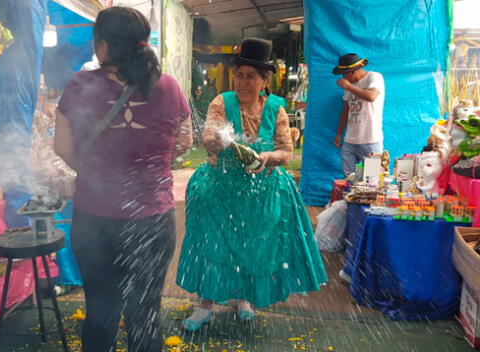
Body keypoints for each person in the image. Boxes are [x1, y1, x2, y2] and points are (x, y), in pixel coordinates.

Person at [53, 6, 192, 352]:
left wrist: (96, 171)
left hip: (95, 218)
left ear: (103, 46)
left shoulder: (80, 84)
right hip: (152, 221)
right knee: (144, 314)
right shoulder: (169, 86)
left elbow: (62, 147)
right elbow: (185, 142)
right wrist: (150, 164)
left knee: (100, 312)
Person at [176, 38, 327, 331]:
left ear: (264, 80)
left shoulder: (276, 109)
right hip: (221, 190)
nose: (242, 82)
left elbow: (286, 152)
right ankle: (204, 305)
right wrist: (217, 140)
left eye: (250, 76)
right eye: (239, 74)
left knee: (253, 250)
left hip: (261, 194)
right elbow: (207, 136)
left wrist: (267, 156)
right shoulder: (222, 102)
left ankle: (245, 299)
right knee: (214, 247)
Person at [332, 53, 385, 176]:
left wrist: (349, 87)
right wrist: (339, 133)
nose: (343, 78)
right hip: (350, 141)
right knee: (349, 179)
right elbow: (346, 110)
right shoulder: (350, 86)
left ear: (351, 72)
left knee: (372, 179)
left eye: (344, 74)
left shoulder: (374, 77)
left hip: (371, 140)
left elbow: (371, 96)